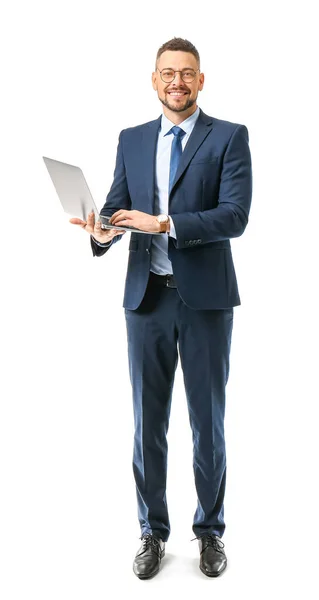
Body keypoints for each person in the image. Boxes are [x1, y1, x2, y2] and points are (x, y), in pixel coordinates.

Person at [70, 37, 252, 580]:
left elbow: (235, 215)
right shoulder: (131, 138)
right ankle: (152, 531)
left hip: (206, 304)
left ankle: (211, 532)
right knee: (147, 423)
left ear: (201, 81)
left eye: (187, 73)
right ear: (154, 80)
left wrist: (168, 224)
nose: (177, 81)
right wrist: (100, 233)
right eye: (168, 72)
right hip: (145, 299)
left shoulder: (229, 137)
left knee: (207, 423)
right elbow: (115, 206)